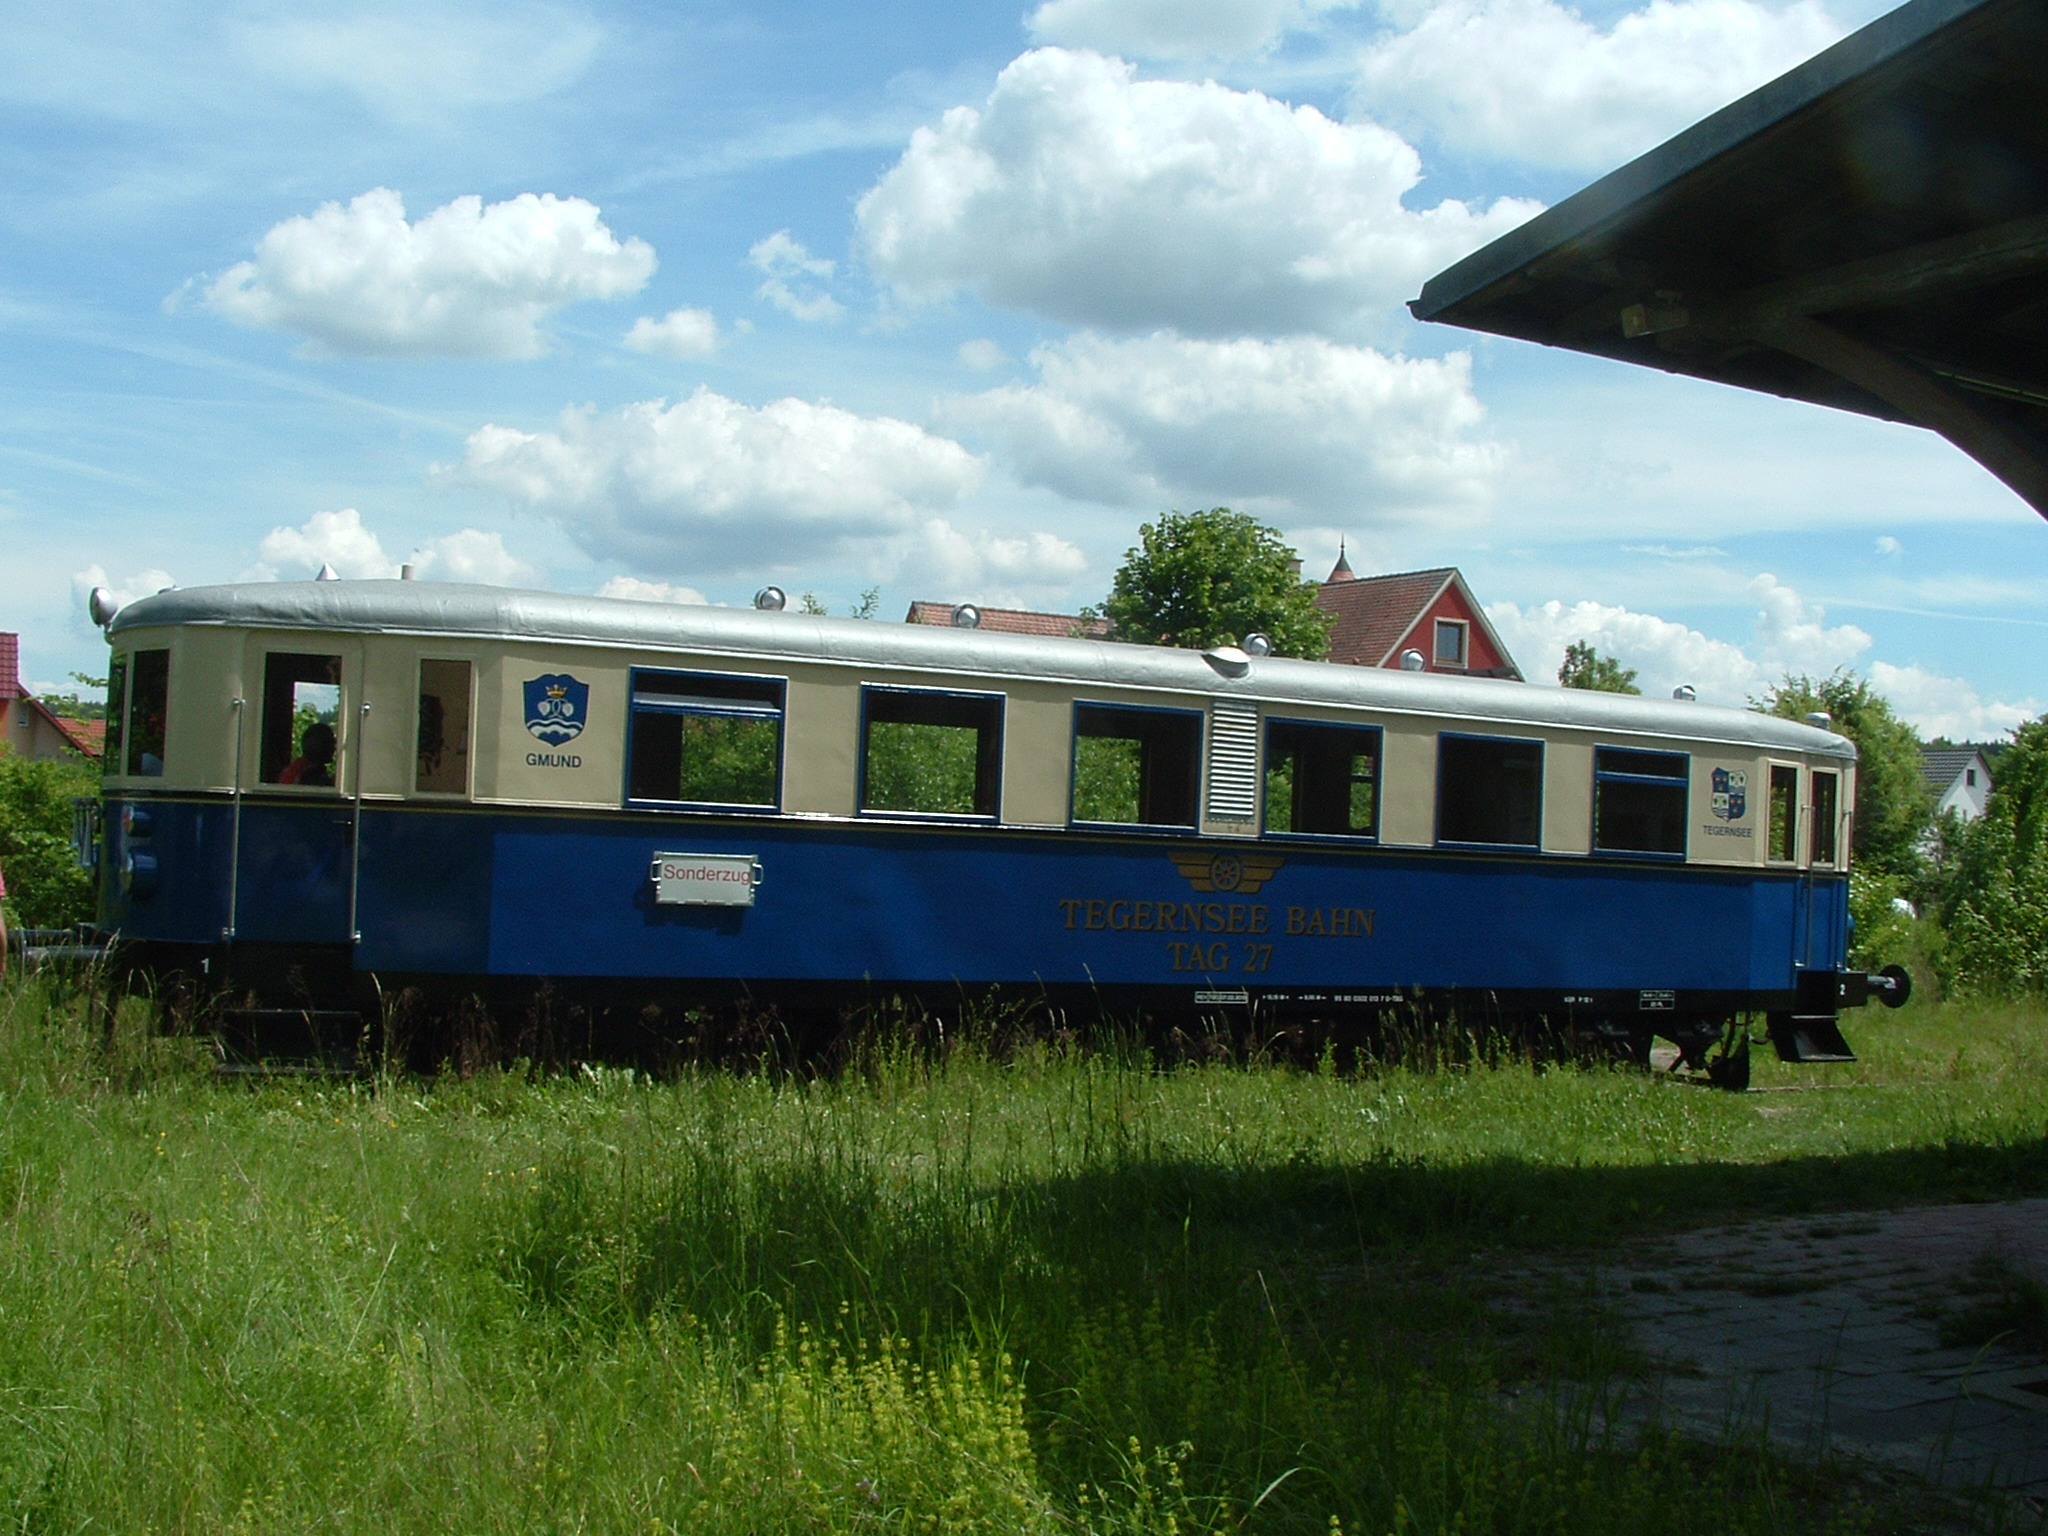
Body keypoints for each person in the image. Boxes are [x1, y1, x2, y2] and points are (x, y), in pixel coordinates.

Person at [280, 721, 337, 787]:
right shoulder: (310, 774)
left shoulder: (295, 768)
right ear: (320, 745)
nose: (334, 748)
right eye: (331, 743)